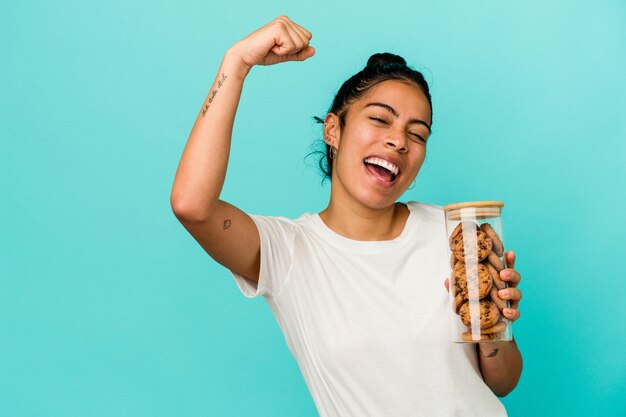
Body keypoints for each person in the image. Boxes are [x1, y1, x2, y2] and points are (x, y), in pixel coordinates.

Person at [170, 16, 523, 417]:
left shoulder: (458, 234)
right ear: (333, 130)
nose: (398, 141)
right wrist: (237, 62)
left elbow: (502, 382)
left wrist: (495, 326)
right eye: (379, 118)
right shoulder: (288, 252)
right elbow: (192, 207)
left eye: (417, 133)